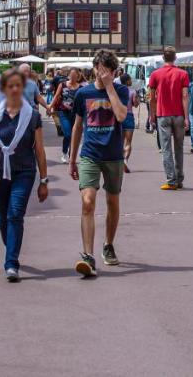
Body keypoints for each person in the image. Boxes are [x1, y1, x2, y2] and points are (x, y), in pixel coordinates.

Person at [0, 68, 49, 282]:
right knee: (3, 216)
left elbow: (39, 150)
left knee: (15, 214)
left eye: (17, 86)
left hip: (24, 171)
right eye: (10, 86)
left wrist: (44, 181)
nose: (14, 90)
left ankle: (11, 263)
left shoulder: (33, 116)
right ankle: (11, 245)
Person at [69, 50, 131, 278]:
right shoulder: (83, 94)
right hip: (90, 154)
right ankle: (88, 255)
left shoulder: (121, 90)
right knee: (88, 202)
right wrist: (72, 158)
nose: (103, 73)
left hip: (113, 154)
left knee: (112, 201)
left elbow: (122, 116)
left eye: (108, 70)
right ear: (94, 68)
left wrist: (110, 87)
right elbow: (77, 127)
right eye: (100, 68)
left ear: (114, 71)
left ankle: (108, 244)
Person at [148, 47, 190, 190]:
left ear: (163, 58)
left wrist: (151, 115)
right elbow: (185, 96)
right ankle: (179, 179)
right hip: (178, 114)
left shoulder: (155, 74)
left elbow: (151, 97)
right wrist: (187, 117)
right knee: (179, 147)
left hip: (163, 114)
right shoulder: (183, 74)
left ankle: (171, 180)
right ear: (175, 57)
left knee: (166, 148)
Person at [49, 68, 82, 164]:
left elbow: (82, 102)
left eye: (74, 75)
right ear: (69, 75)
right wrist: (50, 107)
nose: (72, 77)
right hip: (63, 112)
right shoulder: (62, 85)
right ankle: (64, 152)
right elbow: (56, 96)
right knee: (67, 134)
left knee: (74, 135)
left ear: (77, 76)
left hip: (75, 114)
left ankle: (71, 155)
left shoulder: (80, 88)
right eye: (71, 75)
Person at [120, 72, 137, 170]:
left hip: (120, 116)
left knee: (120, 141)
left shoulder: (118, 90)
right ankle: (125, 160)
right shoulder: (132, 91)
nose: (131, 81)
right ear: (127, 81)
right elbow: (135, 104)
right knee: (128, 142)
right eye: (130, 79)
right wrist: (137, 100)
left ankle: (121, 160)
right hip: (129, 116)